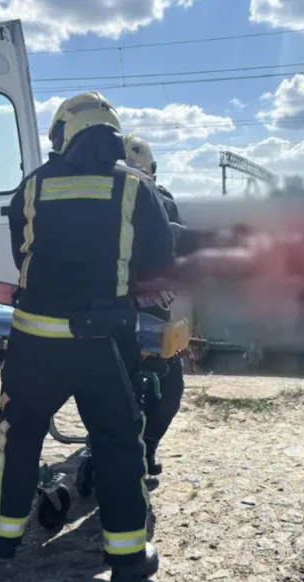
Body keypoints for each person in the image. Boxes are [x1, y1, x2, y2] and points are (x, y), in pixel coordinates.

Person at [0, 92, 174, 582]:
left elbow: (23, 248)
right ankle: (127, 555)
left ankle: (3, 533)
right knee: (117, 440)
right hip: (104, 343)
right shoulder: (137, 187)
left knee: (17, 432)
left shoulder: (32, 186)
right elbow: (158, 263)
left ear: (64, 133)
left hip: (35, 340)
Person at [123, 132, 185, 476]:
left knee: (133, 382)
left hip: (117, 304)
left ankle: (141, 445)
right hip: (147, 305)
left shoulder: (94, 198)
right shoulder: (160, 199)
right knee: (165, 385)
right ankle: (140, 446)